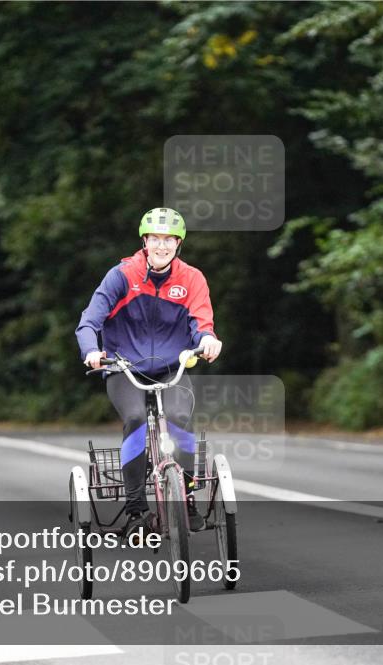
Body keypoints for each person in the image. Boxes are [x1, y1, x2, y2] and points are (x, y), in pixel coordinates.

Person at [76, 207, 222, 537]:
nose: (162, 246)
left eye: (169, 239)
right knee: (136, 419)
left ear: (178, 244)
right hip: (123, 367)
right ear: (145, 241)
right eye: (155, 238)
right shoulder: (122, 276)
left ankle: (186, 499)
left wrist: (209, 340)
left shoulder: (191, 278)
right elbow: (89, 322)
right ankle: (135, 507)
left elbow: (202, 323)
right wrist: (91, 352)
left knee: (179, 417)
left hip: (172, 367)